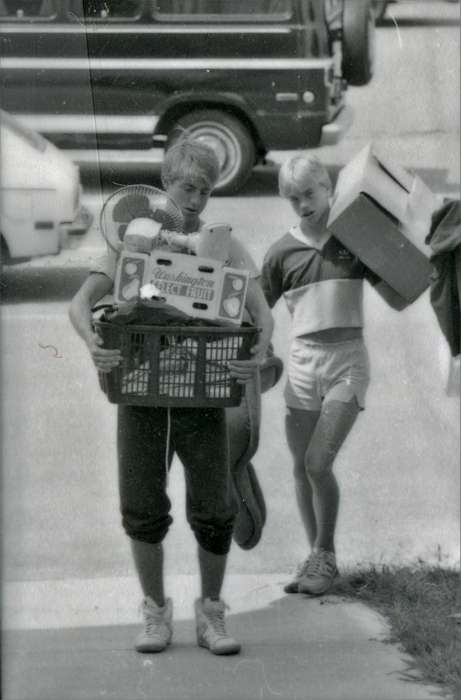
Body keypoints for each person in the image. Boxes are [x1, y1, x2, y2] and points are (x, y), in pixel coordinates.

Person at [69, 134, 273, 655]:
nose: (196, 200)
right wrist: (94, 342)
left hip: (201, 392)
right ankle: (156, 613)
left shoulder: (221, 242)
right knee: (141, 506)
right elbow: (80, 304)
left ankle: (211, 614)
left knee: (213, 508)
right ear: (166, 183)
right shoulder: (130, 237)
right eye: (188, 187)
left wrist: (259, 351)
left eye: (205, 191)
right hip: (139, 390)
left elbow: (260, 312)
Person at [260, 153, 405, 596]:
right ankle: (316, 559)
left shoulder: (354, 238)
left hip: (347, 362)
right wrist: (261, 349)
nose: (303, 204)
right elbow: (253, 312)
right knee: (302, 470)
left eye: (310, 193)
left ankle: (326, 556)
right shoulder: (280, 252)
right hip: (303, 364)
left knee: (318, 462)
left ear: (328, 187)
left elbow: (402, 292)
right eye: (293, 198)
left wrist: (403, 248)